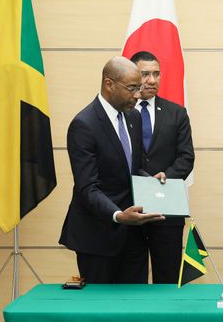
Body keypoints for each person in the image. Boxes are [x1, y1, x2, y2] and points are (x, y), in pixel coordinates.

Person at [59, 56, 165, 284]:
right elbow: (88, 187)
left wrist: (151, 180)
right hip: (97, 236)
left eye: (139, 89)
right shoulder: (84, 124)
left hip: (133, 237)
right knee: (99, 311)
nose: (138, 96)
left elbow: (132, 169)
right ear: (109, 84)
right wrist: (118, 215)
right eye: (132, 89)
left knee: (133, 309)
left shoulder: (133, 117)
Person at [130, 51, 195, 284]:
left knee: (167, 279)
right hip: (130, 209)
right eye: (145, 74)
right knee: (131, 279)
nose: (152, 80)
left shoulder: (176, 113)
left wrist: (167, 174)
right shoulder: (121, 113)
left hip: (167, 210)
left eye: (156, 74)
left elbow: (186, 157)